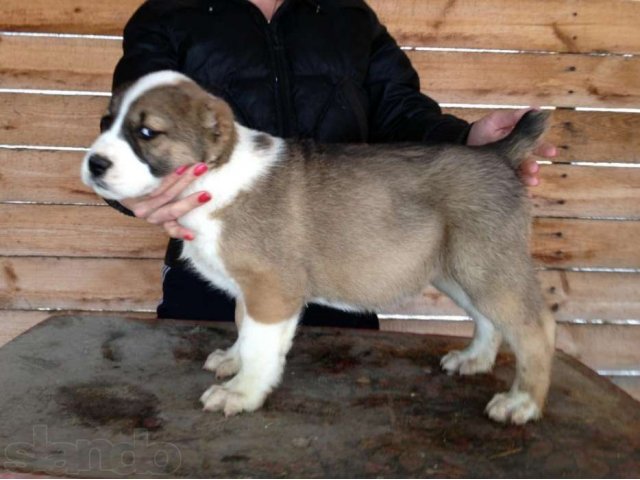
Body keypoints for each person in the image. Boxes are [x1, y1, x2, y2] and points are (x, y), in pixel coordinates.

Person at [107, 0, 556, 329]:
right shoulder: (166, 15)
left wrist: (469, 139)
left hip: (342, 260)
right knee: (205, 426)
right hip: (215, 271)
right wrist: (135, 194)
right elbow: (128, 133)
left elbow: (398, 111)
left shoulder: (348, 15)